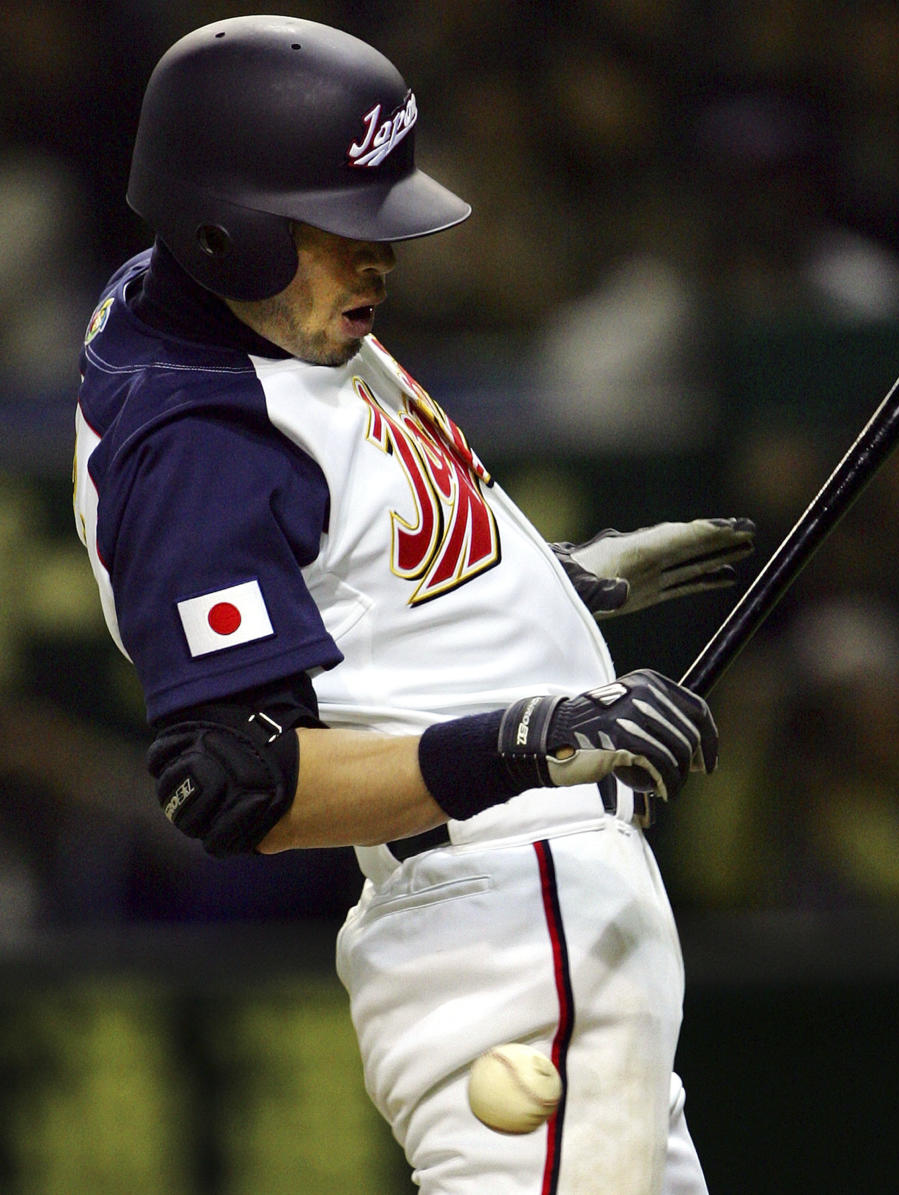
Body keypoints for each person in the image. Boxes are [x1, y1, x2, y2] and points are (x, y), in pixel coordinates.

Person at [72, 16, 754, 1194]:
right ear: (222, 229)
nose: (380, 258)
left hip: (533, 907)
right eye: (342, 229)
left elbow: (343, 572)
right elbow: (237, 779)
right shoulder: (200, 439)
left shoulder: (210, 307)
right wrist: (530, 735)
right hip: (501, 926)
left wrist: (554, 576)